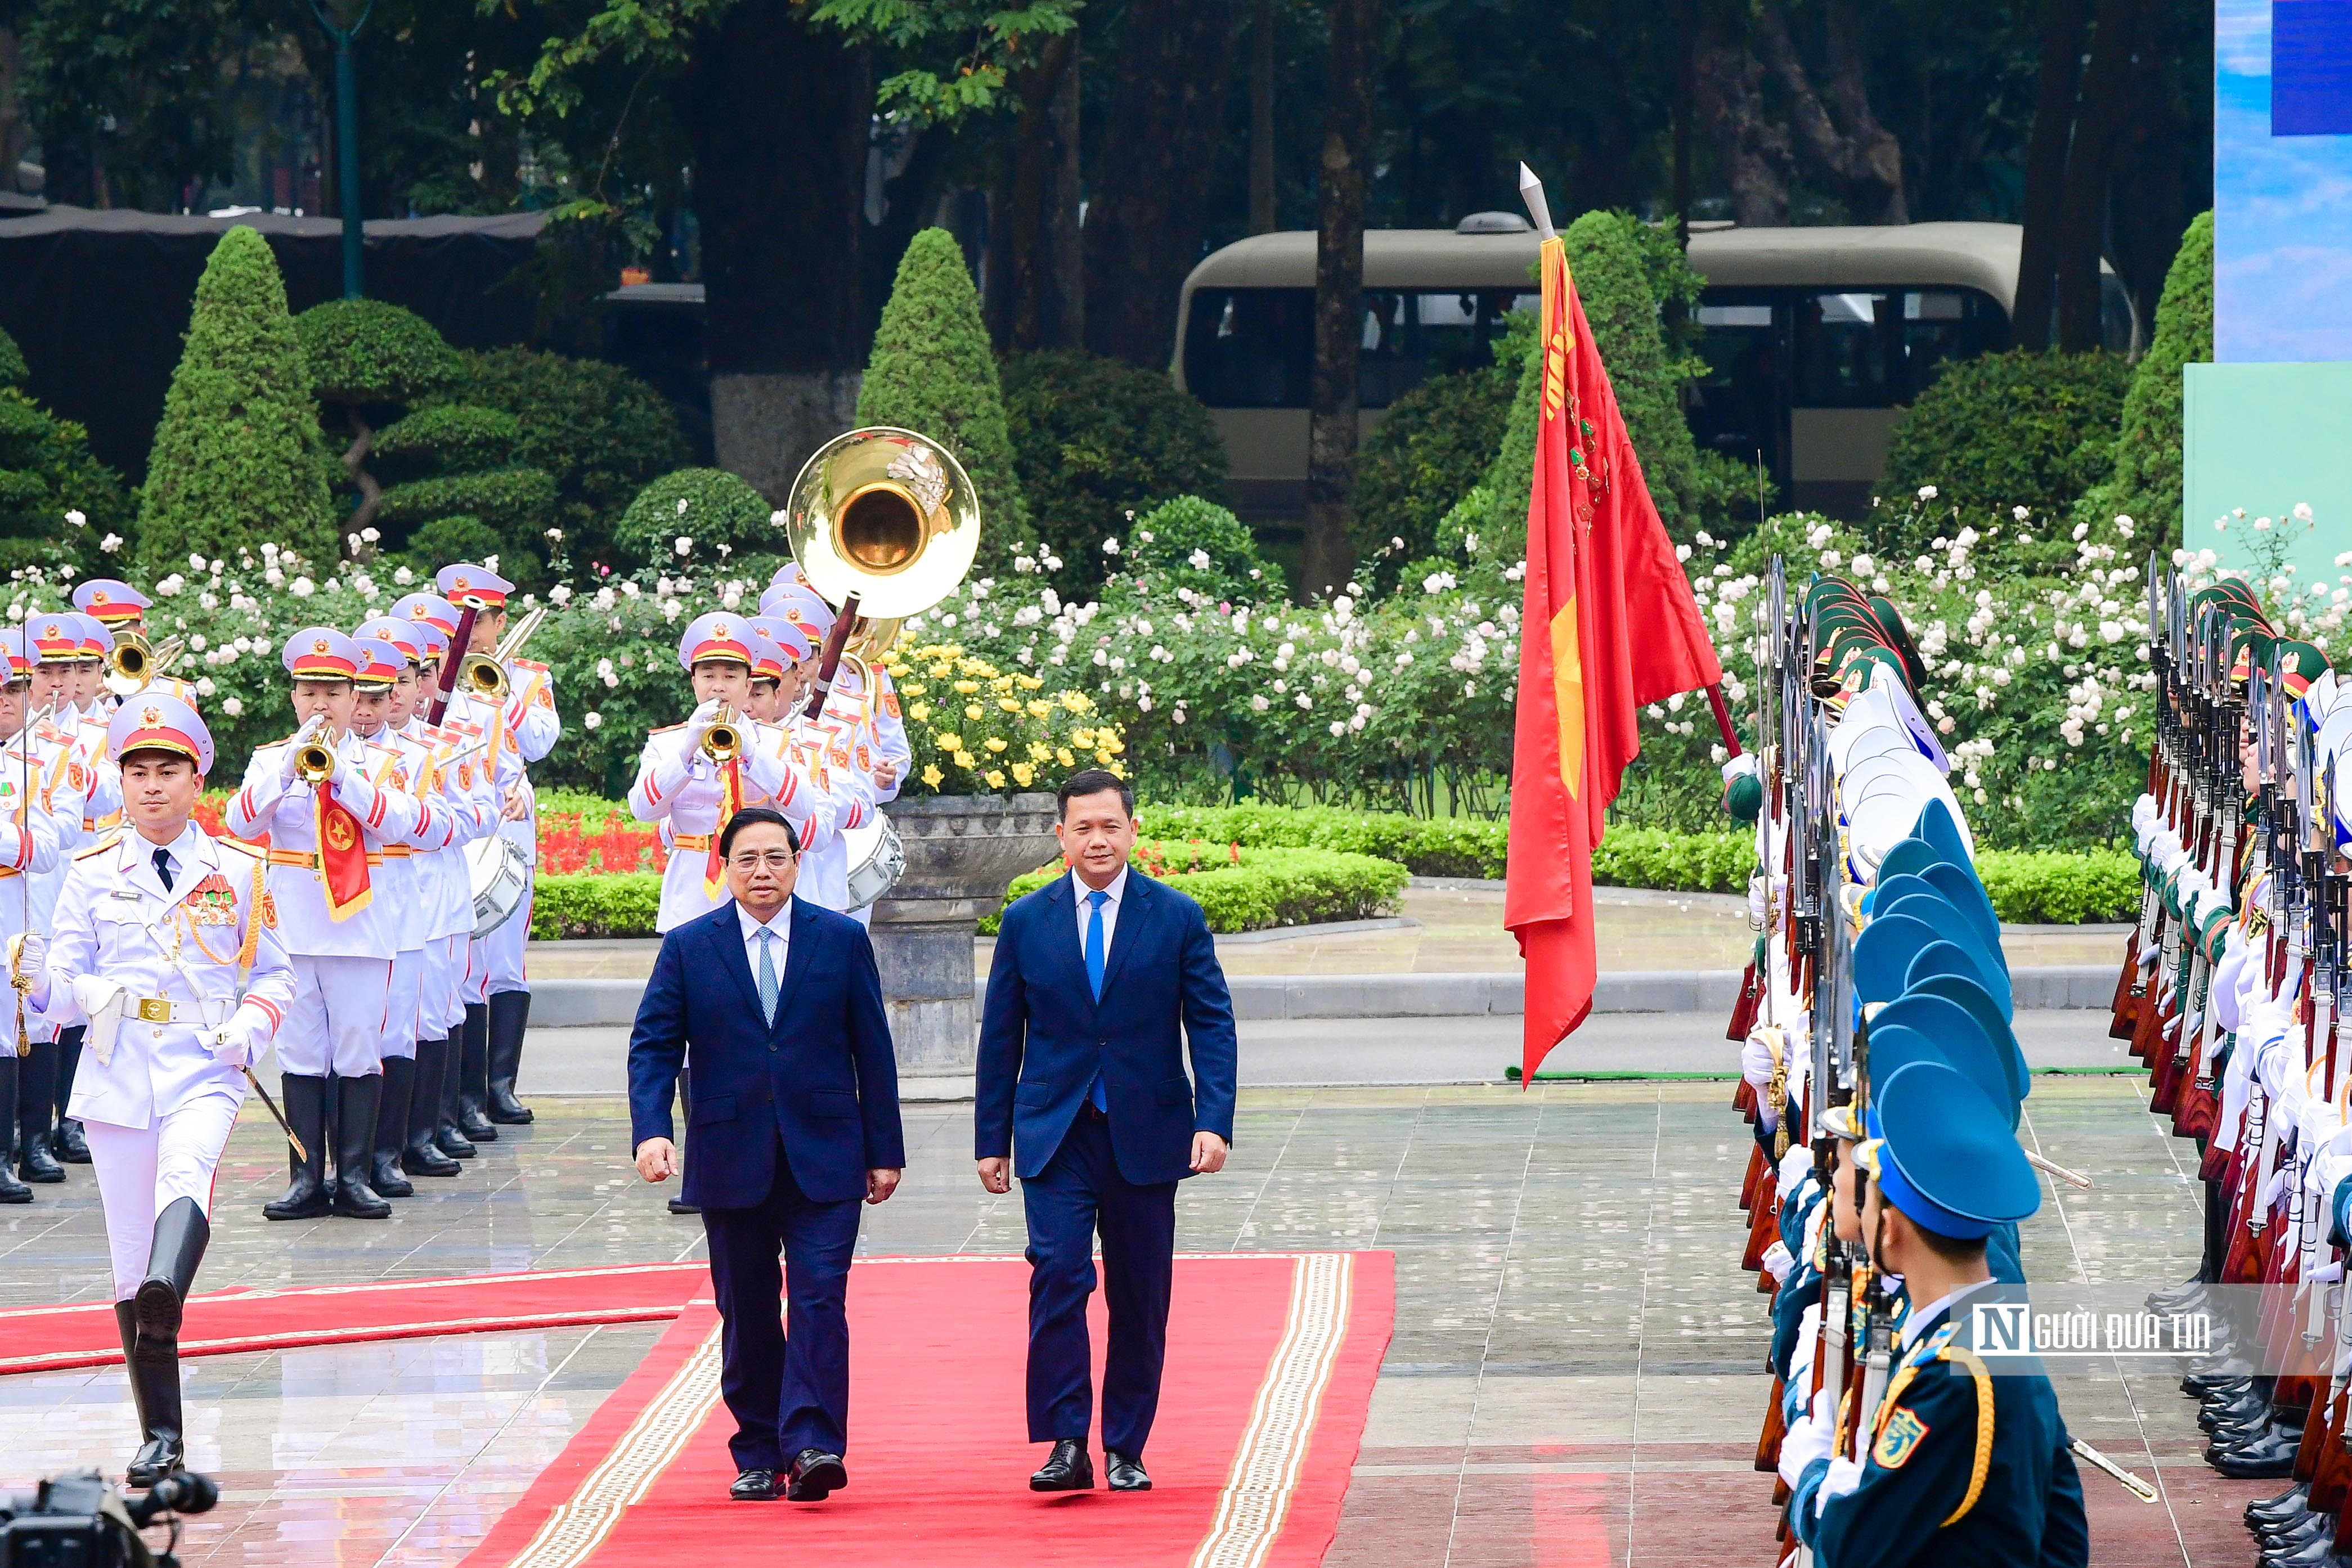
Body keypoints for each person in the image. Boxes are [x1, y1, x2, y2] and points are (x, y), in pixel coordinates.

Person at [17, 692, 294, 1486]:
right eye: (136, 771)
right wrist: (39, 978)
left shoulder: (240, 870)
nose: (151, 785)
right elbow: (65, 989)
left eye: (167, 769)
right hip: (115, 1067)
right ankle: (162, 1432)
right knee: (125, 1258)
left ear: (197, 775)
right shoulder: (91, 871)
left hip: (204, 1065)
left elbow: (276, 974)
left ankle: (167, 1290)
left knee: (188, 1174)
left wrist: (249, 1028)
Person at [626, 806, 905, 1503]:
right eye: (747, 859)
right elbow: (654, 1045)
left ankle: (811, 1444)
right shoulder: (690, 946)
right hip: (730, 1156)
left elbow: (872, 1049)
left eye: (775, 858)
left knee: (818, 1300)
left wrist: (885, 1150)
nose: (762, 872)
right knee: (746, 1310)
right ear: (724, 868)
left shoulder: (838, 940)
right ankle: (757, 1449)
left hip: (827, 1154)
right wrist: (651, 1128)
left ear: (796, 863)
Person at [973, 769, 1238, 1493]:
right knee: (1058, 1275)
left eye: (1110, 826)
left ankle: (1126, 1443)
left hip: (1147, 1134)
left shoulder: (1175, 916)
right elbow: (1001, 1036)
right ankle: (1065, 1442)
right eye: (1082, 828)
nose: (1097, 839)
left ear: (1131, 831)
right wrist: (991, 1140)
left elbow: (1210, 1025)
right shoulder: (1027, 920)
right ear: (1060, 835)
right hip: (1055, 1134)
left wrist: (1213, 1121)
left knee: (1140, 1292)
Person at [1779, 1059, 2088, 1566]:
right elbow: (2065, 1534)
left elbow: (1854, 1546)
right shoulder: (1981, 1333)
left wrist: (1814, 1476)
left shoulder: (1954, 1377)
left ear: (1891, 1227)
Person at [225, 628, 423, 1220]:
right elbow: (240, 820)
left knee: (359, 1051)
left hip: (361, 926)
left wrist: (343, 777)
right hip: (293, 928)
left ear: (352, 695)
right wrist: (286, 771)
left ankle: (355, 1175)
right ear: (294, 697)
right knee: (302, 1051)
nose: (321, 705)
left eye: (333, 692)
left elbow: (401, 824)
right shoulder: (270, 758)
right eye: (310, 691)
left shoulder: (384, 760)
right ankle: (307, 1176)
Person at [436, 563, 559, 1132]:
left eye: (477, 621)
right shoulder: (428, 678)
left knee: (504, 959)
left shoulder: (530, 677)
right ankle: (462, 1096)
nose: (466, 632)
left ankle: (500, 1086)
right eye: (457, 618)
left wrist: (498, 688)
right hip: (454, 822)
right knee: (462, 966)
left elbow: (539, 742)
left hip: (507, 822)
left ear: (498, 620)